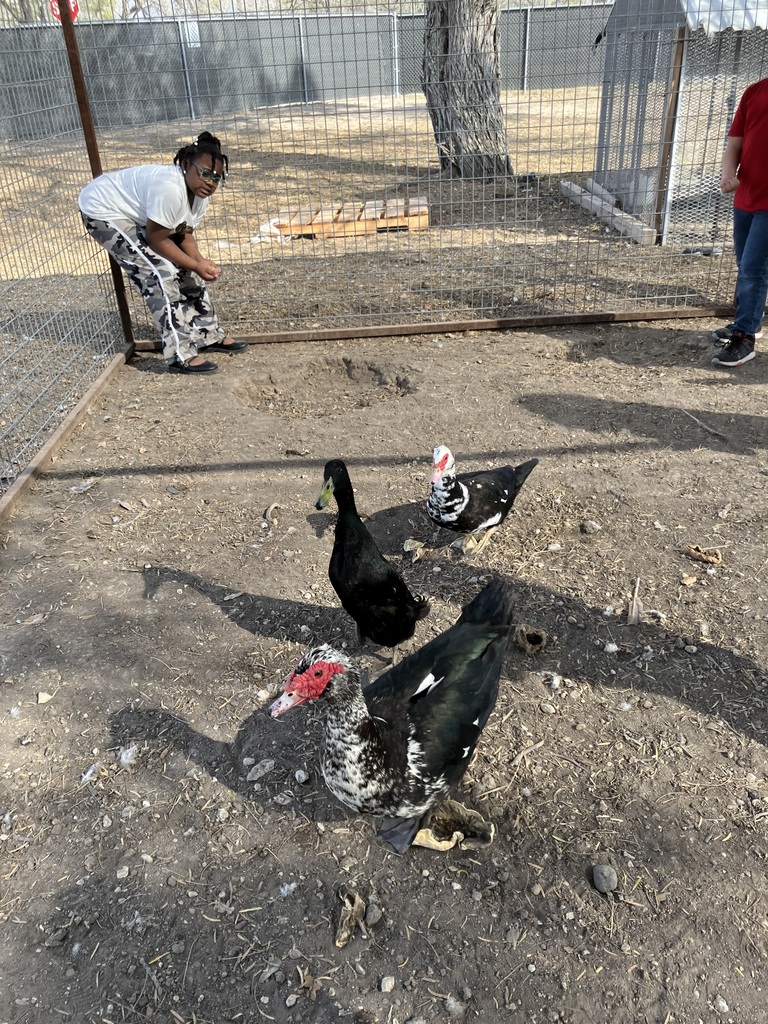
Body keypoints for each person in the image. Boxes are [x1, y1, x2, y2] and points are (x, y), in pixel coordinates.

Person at [79, 131, 246, 375]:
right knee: (159, 273)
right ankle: (180, 355)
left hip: (137, 216)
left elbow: (184, 232)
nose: (210, 182)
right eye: (205, 173)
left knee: (188, 268)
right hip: (103, 209)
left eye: (216, 178)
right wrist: (195, 263)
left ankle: (206, 335)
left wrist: (199, 261)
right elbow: (157, 239)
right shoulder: (170, 188)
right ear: (186, 165)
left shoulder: (199, 194)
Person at [712, 78, 768, 368]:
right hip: (745, 198)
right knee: (747, 265)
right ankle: (750, 321)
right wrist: (727, 174)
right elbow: (735, 144)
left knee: (752, 270)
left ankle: (744, 337)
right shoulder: (754, 92)